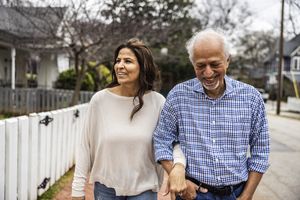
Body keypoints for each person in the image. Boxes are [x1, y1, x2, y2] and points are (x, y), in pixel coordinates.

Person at [153, 29, 270, 200]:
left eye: (215, 64)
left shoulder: (251, 98)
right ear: (193, 64)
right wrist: (176, 175)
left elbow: (261, 151)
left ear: (227, 60)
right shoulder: (178, 96)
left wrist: (247, 195)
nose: (208, 73)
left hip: (236, 193)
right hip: (192, 193)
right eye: (201, 66)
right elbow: (161, 139)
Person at [71, 38, 186, 200]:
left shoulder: (158, 102)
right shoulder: (100, 100)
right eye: (118, 61)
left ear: (143, 67)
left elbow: (174, 141)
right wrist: (77, 190)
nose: (120, 66)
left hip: (145, 191)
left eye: (128, 61)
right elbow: (85, 146)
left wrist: (178, 167)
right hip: (106, 190)